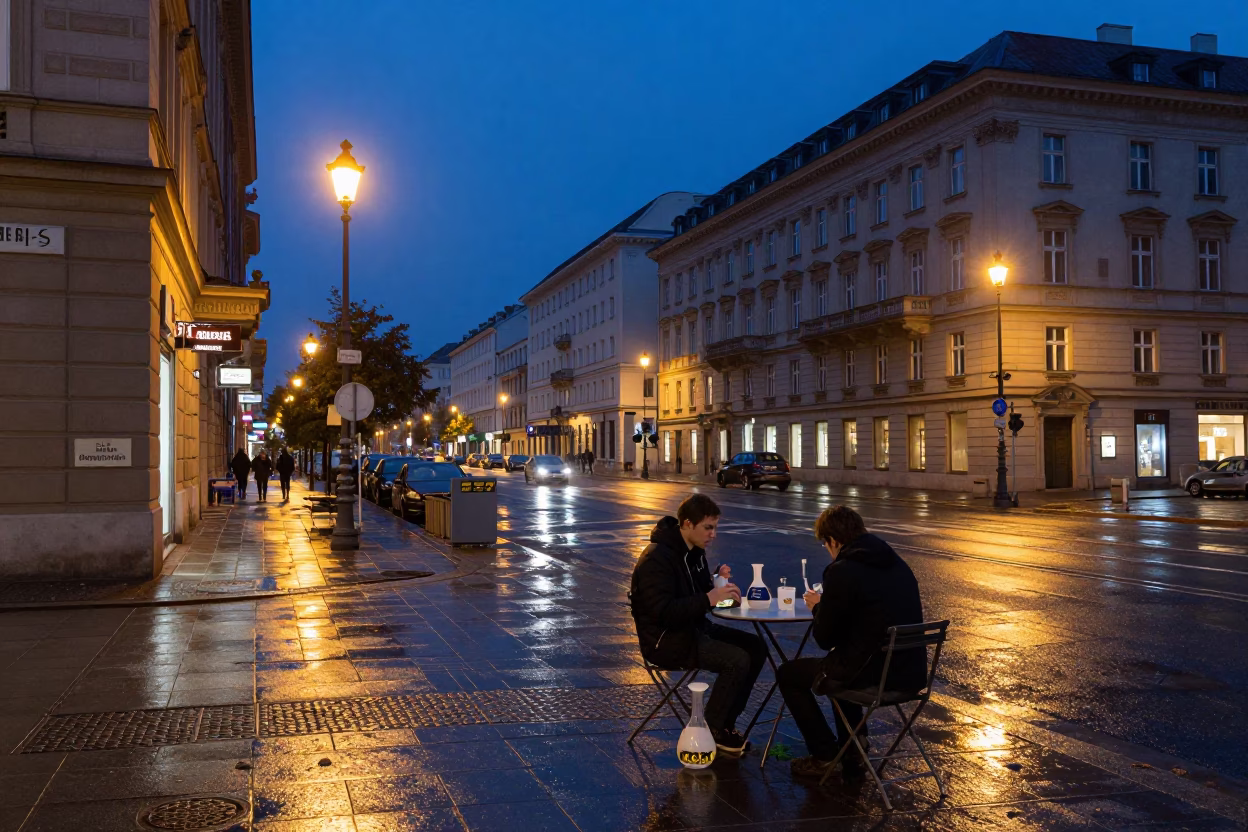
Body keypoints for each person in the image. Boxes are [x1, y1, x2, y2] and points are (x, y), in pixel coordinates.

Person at [777, 505, 925, 780]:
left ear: (833, 541)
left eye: (826, 545)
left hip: (873, 674)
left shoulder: (843, 570)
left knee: (789, 674)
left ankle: (824, 754)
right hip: (910, 673)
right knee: (841, 661)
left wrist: (818, 608)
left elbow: (824, 638)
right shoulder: (896, 562)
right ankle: (854, 746)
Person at [629, 494, 767, 754]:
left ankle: (726, 724)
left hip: (693, 628)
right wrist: (708, 598)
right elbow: (663, 612)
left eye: (715, 527)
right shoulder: (656, 559)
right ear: (687, 524)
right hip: (666, 640)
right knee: (736, 660)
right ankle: (712, 730)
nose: (713, 534)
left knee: (756, 647)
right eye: (708, 527)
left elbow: (703, 596)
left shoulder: (695, 553)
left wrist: (720, 587)